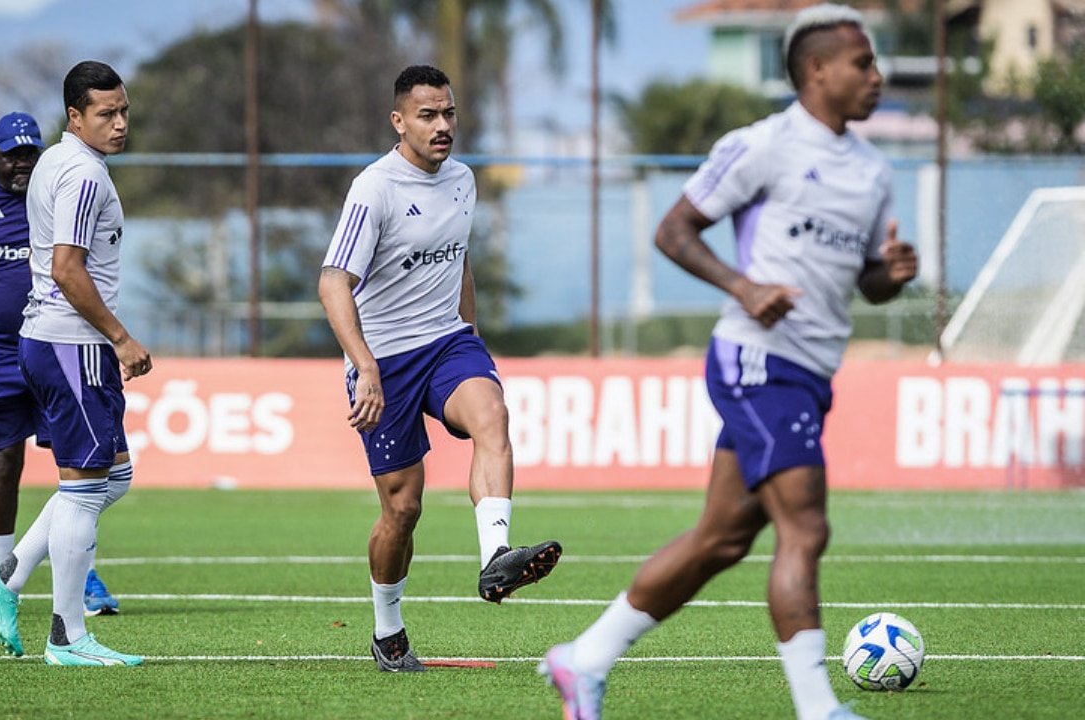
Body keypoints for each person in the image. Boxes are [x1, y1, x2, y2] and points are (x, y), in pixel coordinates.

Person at [539, 5, 918, 720]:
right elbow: (674, 228)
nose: (876, 76)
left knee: (721, 539)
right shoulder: (763, 145)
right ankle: (819, 709)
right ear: (816, 70)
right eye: (862, 63)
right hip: (755, 358)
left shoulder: (872, 172)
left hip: (810, 372)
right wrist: (743, 286)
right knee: (806, 528)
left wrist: (888, 275)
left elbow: (865, 280)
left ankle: (583, 660)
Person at [317, 64, 563, 673]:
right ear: (399, 122)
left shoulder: (463, 180)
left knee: (493, 416)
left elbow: (459, 260)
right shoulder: (374, 188)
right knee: (402, 509)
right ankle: (387, 629)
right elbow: (332, 283)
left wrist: (471, 332)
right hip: (387, 358)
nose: (443, 125)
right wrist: (364, 367)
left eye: (449, 112)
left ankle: (496, 557)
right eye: (428, 115)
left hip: (448, 342)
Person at [0, 60, 151, 667]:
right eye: (107, 113)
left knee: (111, 477)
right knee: (85, 487)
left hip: (53, 341)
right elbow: (69, 267)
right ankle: (68, 637)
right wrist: (121, 338)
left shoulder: (57, 159)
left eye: (123, 109)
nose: (120, 122)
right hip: (73, 345)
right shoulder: (82, 176)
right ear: (76, 116)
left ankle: (7, 578)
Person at [0, 112, 120, 620]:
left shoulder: (52, 192)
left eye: (29, 153)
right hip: (3, 354)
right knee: (7, 467)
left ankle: (62, 575)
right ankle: (0, 576)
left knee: (83, 471)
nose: (22, 163)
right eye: (12, 155)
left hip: (55, 348)